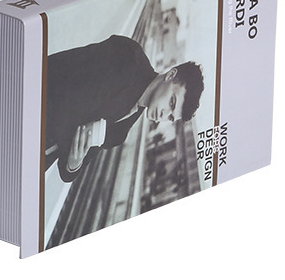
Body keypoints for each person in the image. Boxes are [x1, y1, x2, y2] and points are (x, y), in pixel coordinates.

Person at [45, 34, 204, 182]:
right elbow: (67, 89)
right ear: (170, 75)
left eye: (170, 117)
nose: (164, 114)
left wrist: (74, 164)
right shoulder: (128, 56)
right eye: (172, 102)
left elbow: (69, 171)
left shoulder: (121, 131)